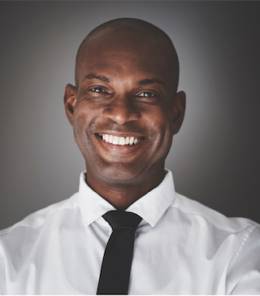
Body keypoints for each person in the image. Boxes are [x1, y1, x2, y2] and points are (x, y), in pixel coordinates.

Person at [0, 18, 260, 294]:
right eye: (99, 90)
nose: (121, 114)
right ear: (71, 105)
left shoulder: (241, 254)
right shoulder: (8, 259)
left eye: (146, 93)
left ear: (176, 113)